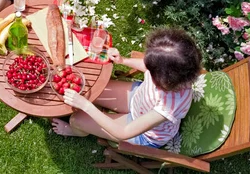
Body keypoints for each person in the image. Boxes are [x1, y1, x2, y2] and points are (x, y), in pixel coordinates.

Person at [52, 28, 202, 148]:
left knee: (76, 119)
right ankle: (97, 114)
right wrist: (123, 60)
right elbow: (147, 66)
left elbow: (123, 133)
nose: (148, 69)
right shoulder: (172, 70)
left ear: (164, 79)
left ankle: (76, 131)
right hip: (139, 98)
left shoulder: (167, 107)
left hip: (144, 132)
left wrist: (86, 106)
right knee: (92, 88)